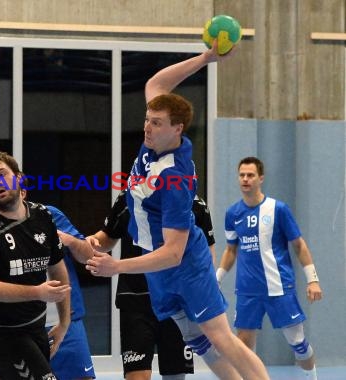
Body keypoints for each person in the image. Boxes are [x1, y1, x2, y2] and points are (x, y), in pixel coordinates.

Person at [85, 42, 270, 379]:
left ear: (177, 129)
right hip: (159, 267)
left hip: (184, 265)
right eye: (147, 120)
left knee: (221, 338)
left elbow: (173, 253)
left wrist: (117, 266)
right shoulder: (155, 143)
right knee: (199, 342)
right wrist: (206, 58)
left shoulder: (173, 178)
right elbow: (155, 85)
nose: (147, 127)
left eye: (156, 123)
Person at [72, 190, 216, 380]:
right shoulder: (128, 198)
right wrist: (93, 242)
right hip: (135, 299)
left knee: (176, 374)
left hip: (177, 301)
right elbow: (108, 236)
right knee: (136, 374)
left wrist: (206, 289)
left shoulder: (191, 202)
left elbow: (208, 250)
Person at [0, 151, 71, 380]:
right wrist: (38, 292)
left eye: (2, 174)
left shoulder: (43, 216)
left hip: (35, 326)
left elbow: (57, 267)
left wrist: (64, 321)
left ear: (19, 177)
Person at [216, 156, 323, 380]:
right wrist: (215, 280)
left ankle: (311, 377)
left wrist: (312, 279)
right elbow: (230, 250)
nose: (245, 179)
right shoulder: (233, 214)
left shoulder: (278, 209)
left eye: (250, 175)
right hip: (247, 290)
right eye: (242, 175)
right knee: (243, 346)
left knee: (297, 343)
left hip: (279, 287)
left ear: (261, 178)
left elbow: (299, 245)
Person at [46, 205, 96, 380]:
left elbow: (90, 256)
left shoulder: (49, 214)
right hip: (20, 322)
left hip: (65, 315)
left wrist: (71, 241)